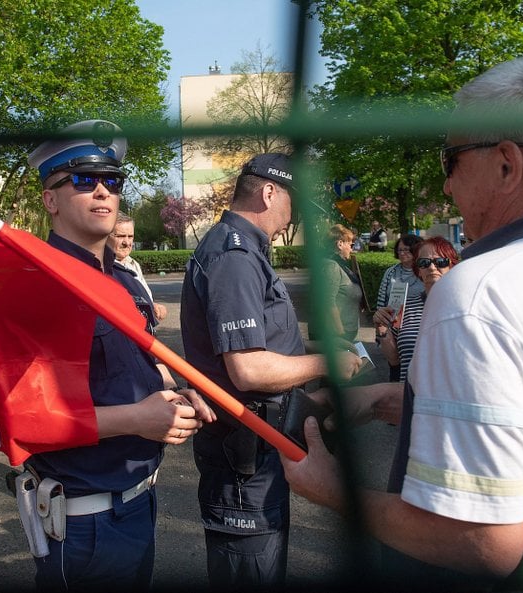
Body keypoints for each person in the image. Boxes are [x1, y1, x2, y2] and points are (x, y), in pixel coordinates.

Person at [281, 56, 523, 592]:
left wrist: (328, 488)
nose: (448, 185)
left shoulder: (479, 293)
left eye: (450, 159)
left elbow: (483, 542)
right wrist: (391, 400)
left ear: (506, 163)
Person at [22, 119, 216, 591]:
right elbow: (28, 420)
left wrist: (175, 392)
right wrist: (136, 419)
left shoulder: (122, 279)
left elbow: (129, 369)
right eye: (84, 180)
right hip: (85, 523)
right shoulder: (37, 286)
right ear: (50, 199)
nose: (103, 191)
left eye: (113, 181)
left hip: (138, 503)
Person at [180, 152, 363, 589]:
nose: (291, 218)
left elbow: (260, 343)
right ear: (268, 192)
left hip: (258, 450)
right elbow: (247, 368)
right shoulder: (235, 256)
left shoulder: (242, 250)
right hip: (244, 460)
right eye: (292, 204)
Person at [377, 237, 459, 384]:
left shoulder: (465, 307)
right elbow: (394, 360)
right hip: (409, 397)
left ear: (451, 266)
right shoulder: (404, 308)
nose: (432, 268)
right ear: (418, 270)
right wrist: (382, 330)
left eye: (441, 262)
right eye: (424, 263)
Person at [373, 234, 424, 381]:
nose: (402, 253)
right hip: (393, 329)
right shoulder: (391, 273)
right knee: (396, 372)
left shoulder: (424, 271)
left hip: (416, 331)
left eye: (406, 250)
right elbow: (382, 299)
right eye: (400, 250)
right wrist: (380, 327)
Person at [110, 212, 168, 329]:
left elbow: (138, 300)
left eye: (130, 236)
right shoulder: (103, 269)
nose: (127, 242)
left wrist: (152, 306)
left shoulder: (133, 264)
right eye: (120, 236)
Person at [312, 224, 364, 342]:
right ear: (340, 244)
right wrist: (340, 334)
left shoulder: (340, 265)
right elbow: (327, 302)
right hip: (336, 337)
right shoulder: (331, 266)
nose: (352, 249)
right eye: (350, 245)